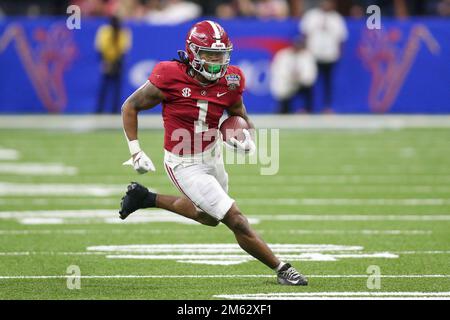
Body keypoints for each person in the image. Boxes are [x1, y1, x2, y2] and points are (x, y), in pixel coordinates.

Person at [119, 20, 308, 286]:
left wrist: (246, 137)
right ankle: (282, 269)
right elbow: (130, 106)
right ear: (193, 53)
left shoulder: (232, 79)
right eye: (209, 54)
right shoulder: (168, 74)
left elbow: (239, 115)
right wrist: (136, 151)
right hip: (184, 163)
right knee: (235, 219)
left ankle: (145, 197)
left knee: (208, 218)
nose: (216, 61)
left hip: (213, 155)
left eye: (221, 55)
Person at [300, 0, 347, 112]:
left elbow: (342, 38)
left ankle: (327, 107)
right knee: (308, 81)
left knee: (328, 83)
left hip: (330, 55)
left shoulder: (337, 18)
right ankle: (308, 107)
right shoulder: (311, 15)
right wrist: (305, 52)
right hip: (313, 54)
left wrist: (340, 53)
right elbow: (304, 34)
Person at [270, 36, 317, 113]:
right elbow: (278, 71)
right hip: (287, 83)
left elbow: (310, 75)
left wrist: (300, 78)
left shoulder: (307, 56)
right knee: (282, 91)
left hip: (301, 84)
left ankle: (307, 110)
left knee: (309, 89)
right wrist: (290, 77)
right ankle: (283, 110)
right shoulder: (283, 55)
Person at [95, 15, 132, 113]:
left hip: (118, 62)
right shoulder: (105, 31)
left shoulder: (123, 32)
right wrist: (104, 61)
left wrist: (118, 63)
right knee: (104, 87)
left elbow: (124, 49)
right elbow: (100, 47)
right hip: (107, 61)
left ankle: (115, 110)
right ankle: (99, 110)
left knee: (117, 88)